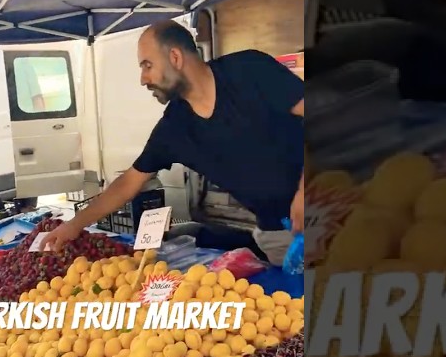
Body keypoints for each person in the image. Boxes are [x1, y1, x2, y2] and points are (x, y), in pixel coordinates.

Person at [40, 21, 304, 265]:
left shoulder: (249, 70)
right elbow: (128, 183)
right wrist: (74, 225)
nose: (143, 79)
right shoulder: (175, 128)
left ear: (175, 58)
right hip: (276, 234)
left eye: (147, 65)